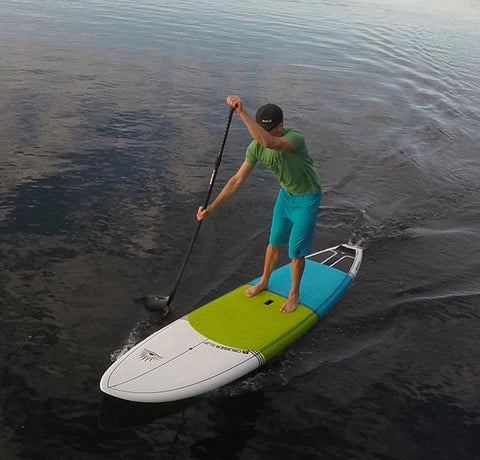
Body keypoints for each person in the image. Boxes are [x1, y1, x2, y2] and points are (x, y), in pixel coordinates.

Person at [197, 95, 322, 313]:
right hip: (286, 196)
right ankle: (264, 281)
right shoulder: (255, 147)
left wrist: (241, 113)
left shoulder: (295, 138)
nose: (262, 136)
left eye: (268, 130)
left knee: (295, 250)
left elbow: (270, 142)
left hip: (307, 198)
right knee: (273, 241)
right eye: (261, 131)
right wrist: (212, 207)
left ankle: (294, 294)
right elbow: (236, 180)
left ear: (280, 126)